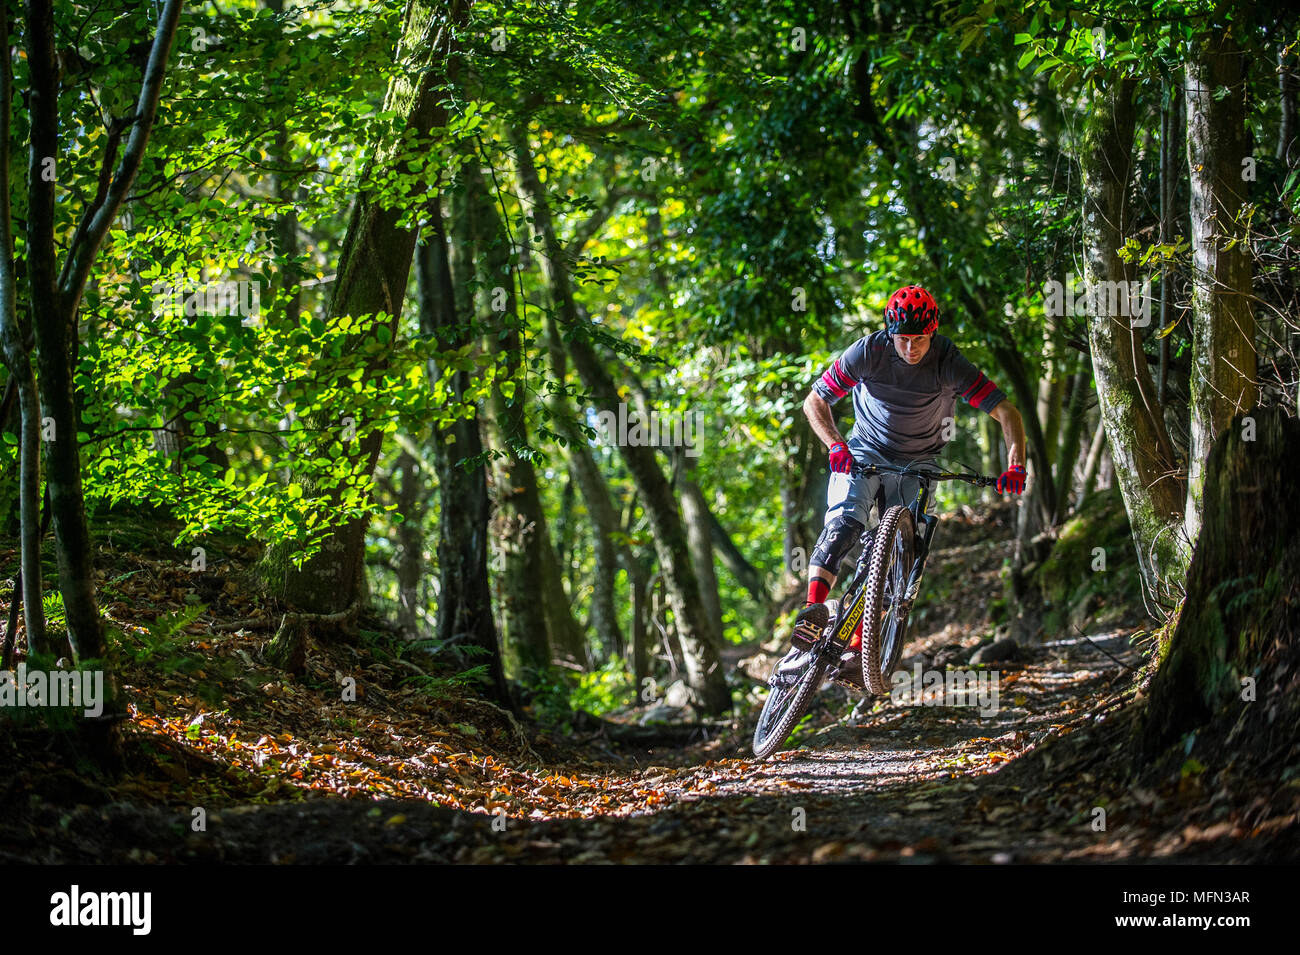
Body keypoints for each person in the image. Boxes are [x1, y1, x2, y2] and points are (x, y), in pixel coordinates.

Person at [792, 284, 1027, 688]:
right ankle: (811, 616)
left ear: (932, 332)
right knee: (844, 524)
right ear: (890, 332)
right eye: (903, 339)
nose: (912, 348)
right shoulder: (868, 352)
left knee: (899, 558)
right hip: (863, 450)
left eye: (920, 339)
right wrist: (836, 445)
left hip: (919, 462)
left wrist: (1016, 464)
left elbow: (1006, 411)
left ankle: (858, 647)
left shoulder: (948, 361)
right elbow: (815, 401)